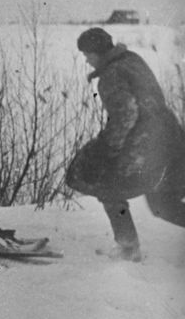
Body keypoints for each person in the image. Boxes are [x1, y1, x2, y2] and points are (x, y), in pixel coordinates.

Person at [67, 27, 185, 261]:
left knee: (107, 184)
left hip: (146, 144)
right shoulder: (132, 60)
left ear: (99, 52)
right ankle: (128, 246)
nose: (87, 60)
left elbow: (126, 115)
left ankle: (128, 247)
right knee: (163, 202)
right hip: (171, 138)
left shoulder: (111, 75)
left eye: (88, 54)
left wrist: (106, 149)